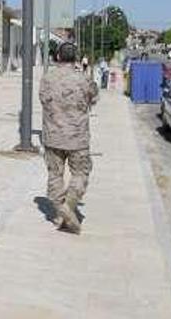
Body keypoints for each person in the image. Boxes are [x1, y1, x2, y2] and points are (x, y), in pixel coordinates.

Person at [39, 42, 99, 234]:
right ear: (75, 58)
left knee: (54, 175)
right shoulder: (83, 79)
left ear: (57, 57)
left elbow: (42, 99)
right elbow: (94, 99)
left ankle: (59, 213)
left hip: (52, 136)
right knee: (81, 173)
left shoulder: (47, 78)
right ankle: (69, 206)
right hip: (77, 137)